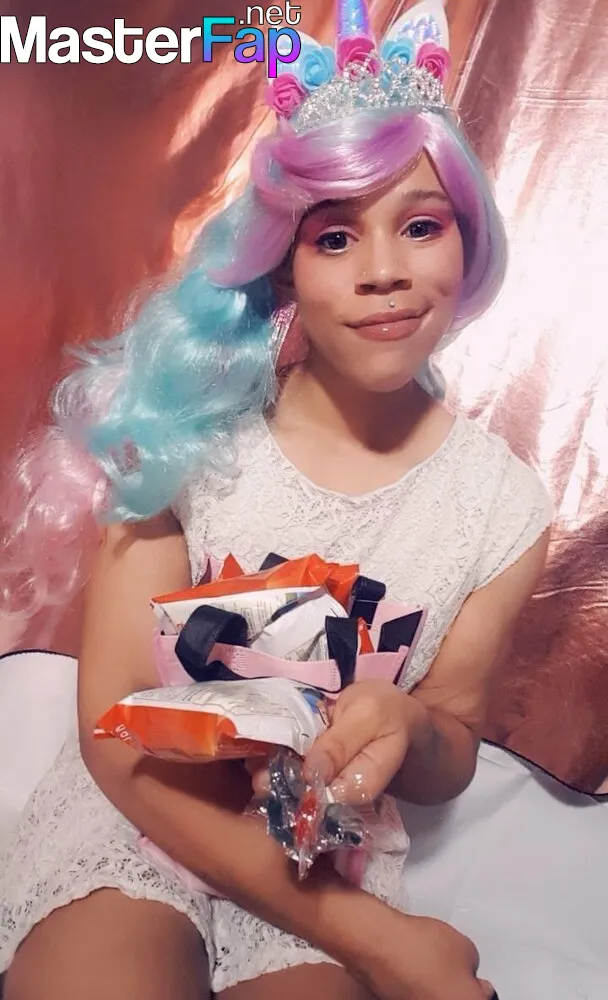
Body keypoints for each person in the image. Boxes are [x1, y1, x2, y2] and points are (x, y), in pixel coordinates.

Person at [0, 2, 552, 998]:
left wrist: (408, 724)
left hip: (319, 841)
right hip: (143, 808)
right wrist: (384, 943)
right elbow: (116, 732)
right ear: (284, 265)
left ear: (467, 243)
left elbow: (452, 741)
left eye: (419, 226)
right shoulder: (181, 430)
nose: (383, 272)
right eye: (335, 237)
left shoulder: (501, 507)